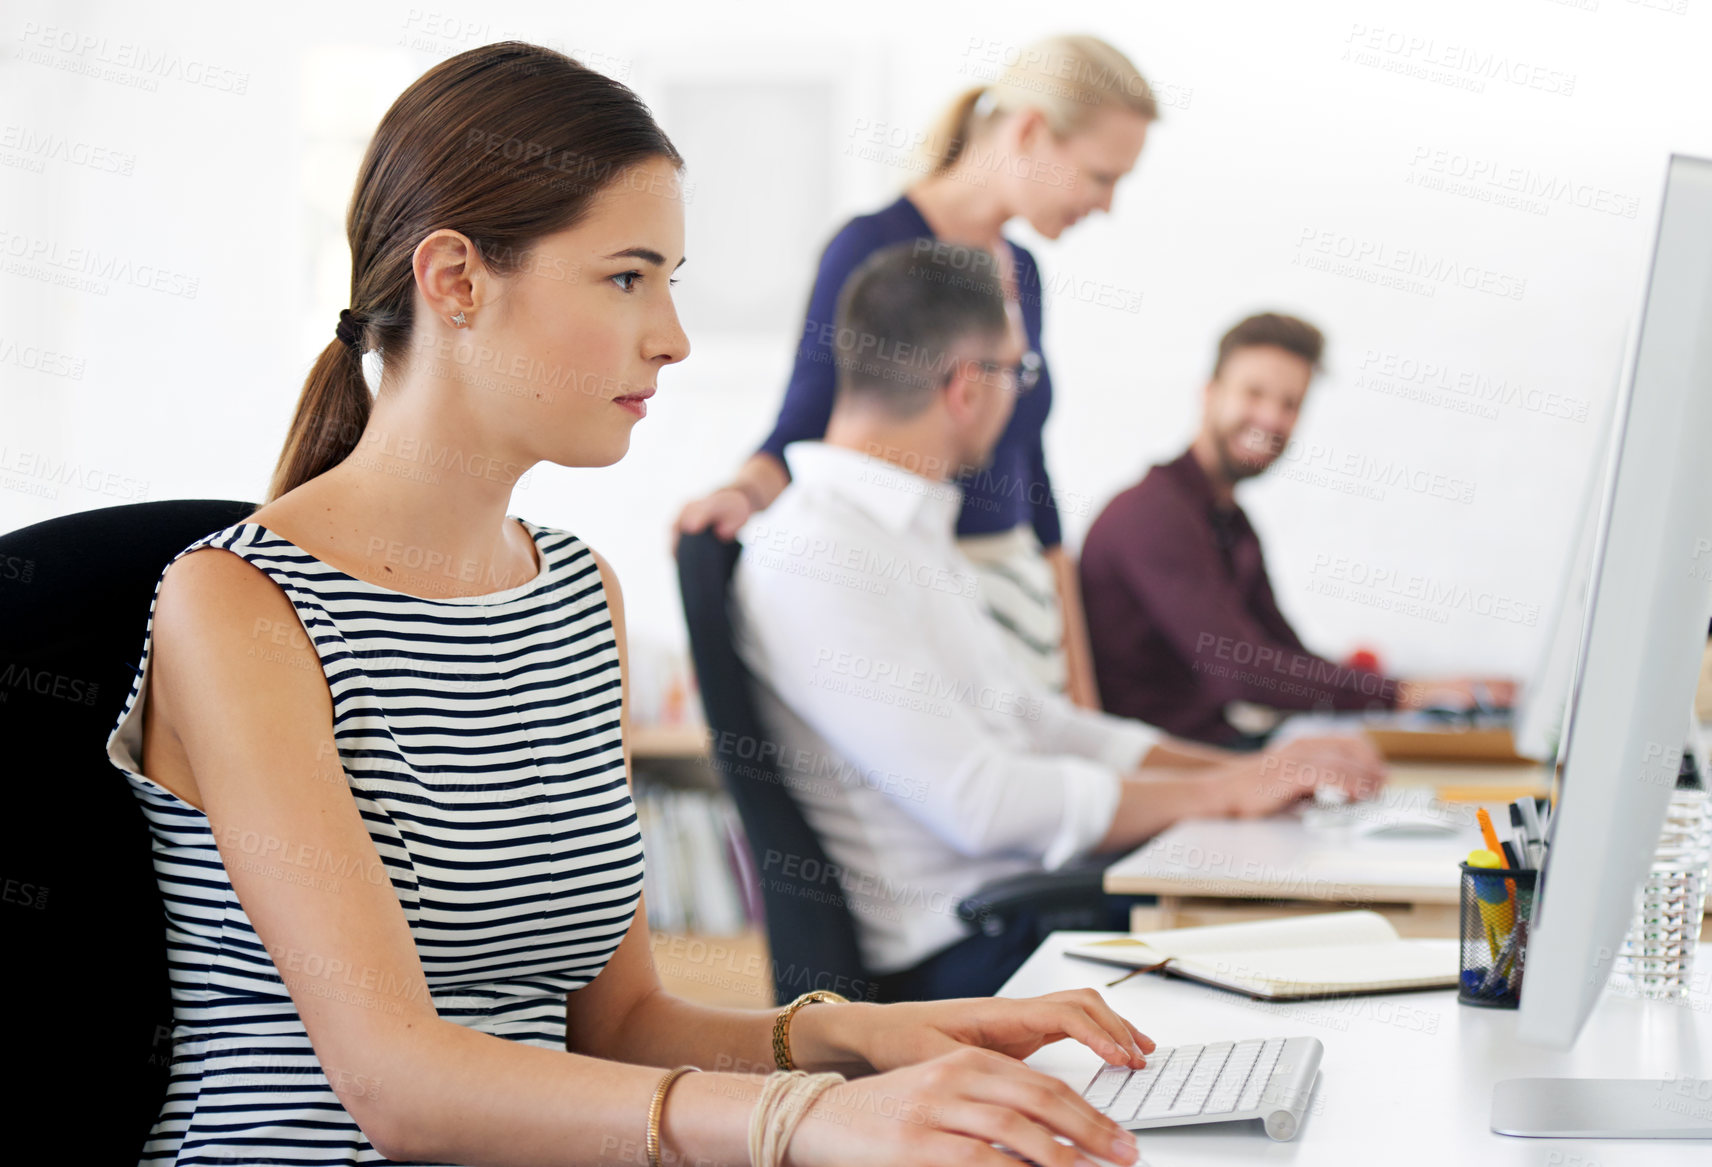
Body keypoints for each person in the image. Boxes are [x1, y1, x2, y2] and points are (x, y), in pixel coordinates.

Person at [103, 42, 1161, 1167]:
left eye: (671, 281)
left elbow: (618, 1028)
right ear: (454, 279)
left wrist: (878, 1037)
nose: (672, 335)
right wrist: (801, 1121)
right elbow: (398, 1086)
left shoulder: (571, 590)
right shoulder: (235, 605)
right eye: (626, 277)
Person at [730, 243, 1387, 1003]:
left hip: (1031, 914)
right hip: (974, 958)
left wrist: (1235, 775)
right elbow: (983, 803)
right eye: (1019, 371)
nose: (1021, 395)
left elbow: (1038, 721)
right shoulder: (819, 554)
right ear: (969, 387)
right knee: (1329, 944)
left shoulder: (901, 530)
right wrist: (1225, 792)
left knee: (1329, 920)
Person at [678, 34, 1158, 708]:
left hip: (1024, 605)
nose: (1106, 204)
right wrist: (742, 493)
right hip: (930, 600)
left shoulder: (1022, 270)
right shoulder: (874, 249)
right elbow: (804, 422)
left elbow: (1032, 472)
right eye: (1102, 176)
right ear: (1031, 131)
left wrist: (1079, 683)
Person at [1079, 312, 1517, 748]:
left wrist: (1429, 690)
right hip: (1166, 774)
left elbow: (1284, 655)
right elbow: (1243, 672)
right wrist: (1406, 695)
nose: (1271, 418)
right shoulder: (1152, 515)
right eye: (1254, 394)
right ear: (1209, 394)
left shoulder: (1230, 522)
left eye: (1290, 404)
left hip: (1219, 753)